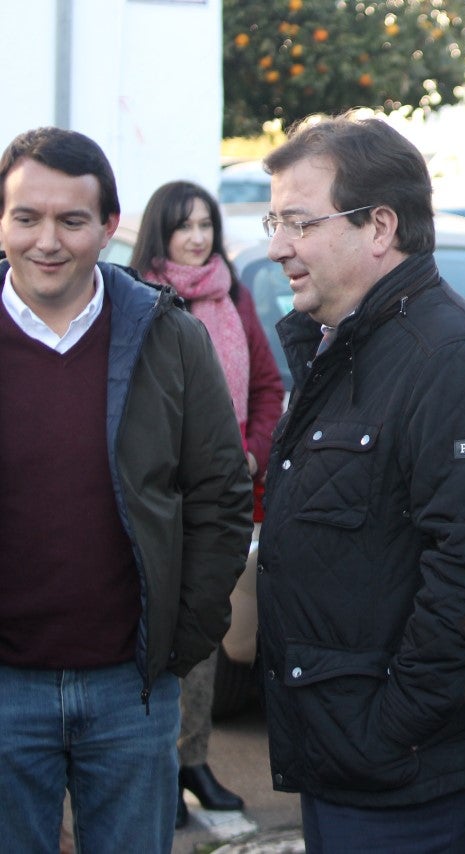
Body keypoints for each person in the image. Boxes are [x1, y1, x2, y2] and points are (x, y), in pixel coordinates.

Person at [255, 113, 465, 851]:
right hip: (350, 758)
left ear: (379, 227)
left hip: (410, 773)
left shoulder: (453, 360)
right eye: (274, 220)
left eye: (297, 222)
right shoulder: (345, 348)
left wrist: (388, 730)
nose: (278, 244)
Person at [0, 127, 252, 852]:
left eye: (72, 220)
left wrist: (183, 638)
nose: (48, 240)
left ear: (109, 227)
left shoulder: (168, 337)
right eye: (27, 217)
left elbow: (222, 494)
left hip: (131, 690)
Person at [129, 180, 285, 828]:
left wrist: (247, 450)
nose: (196, 237)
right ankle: (159, 766)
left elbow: (268, 386)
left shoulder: (235, 295)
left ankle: (191, 759)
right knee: (159, 638)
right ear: (158, 233)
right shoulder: (139, 301)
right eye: (182, 225)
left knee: (205, 632)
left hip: (227, 497)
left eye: (204, 224)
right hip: (159, 502)